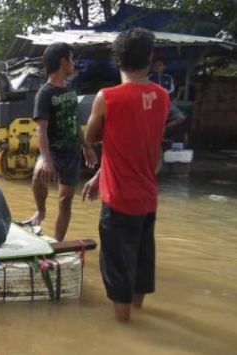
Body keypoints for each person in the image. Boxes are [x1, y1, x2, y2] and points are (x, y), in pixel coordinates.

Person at [82, 28, 168, 322]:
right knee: (142, 263)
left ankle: (124, 329)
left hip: (119, 201)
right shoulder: (162, 96)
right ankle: (139, 317)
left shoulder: (106, 98)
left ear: (117, 59)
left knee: (117, 268)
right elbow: (136, 144)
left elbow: (93, 137)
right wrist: (99, 176)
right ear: (150, 58)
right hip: (148, 198)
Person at [23, 42, 97, 241]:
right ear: (64, 62)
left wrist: (86, 147)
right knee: (39, 174)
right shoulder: (45, 93)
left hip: (71, 153)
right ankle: (41, 210)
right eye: (71, 59)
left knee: (65, 201)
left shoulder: (70, 89)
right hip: (53, 151)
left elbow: (74, 123)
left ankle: (58, 243)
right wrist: (46, 160)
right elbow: (41, 130)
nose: (74, 63)